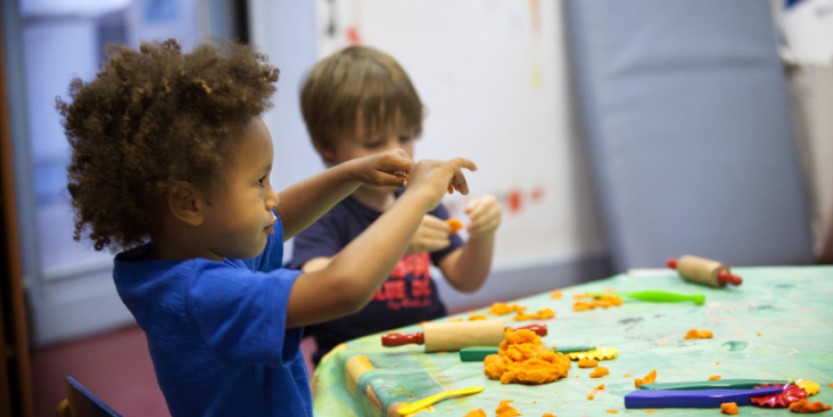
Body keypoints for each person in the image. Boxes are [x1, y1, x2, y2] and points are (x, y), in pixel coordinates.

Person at [57, 38, 476, 417]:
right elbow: (343, 287)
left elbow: (282, 218)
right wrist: (418, 197)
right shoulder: (207, 295)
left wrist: (351, 174)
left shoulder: (189, 258)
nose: (272, 198)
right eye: (260, 182)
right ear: (189, 203)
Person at [290, 45, 502, 365]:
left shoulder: (418, 201)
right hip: (353, 362)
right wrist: (396, 242)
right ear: (326, 145)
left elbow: (465, 278)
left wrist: (484, 234)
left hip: (427, 351)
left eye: (405, 136)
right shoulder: (324, 212)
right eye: (374, 143)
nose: (397, 153)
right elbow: (318, 279)